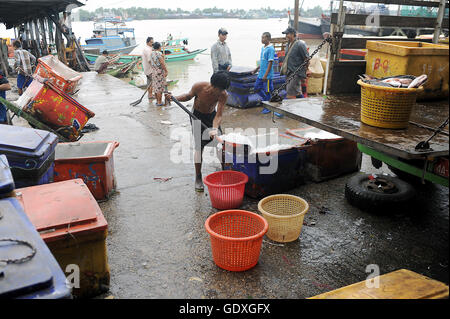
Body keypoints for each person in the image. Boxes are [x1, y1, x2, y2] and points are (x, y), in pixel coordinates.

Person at [165, 71, 230, 192]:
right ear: (213, 85)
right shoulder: (199, 86)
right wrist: (174, 98)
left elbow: (219, 115)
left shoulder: (223, 95)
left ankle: (225, 171)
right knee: (199, 147)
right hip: (196, 116)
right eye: (220, 89)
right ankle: (198, 177)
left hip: (212, 117)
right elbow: (188, 96)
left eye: (223, 90)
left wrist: (215, 129)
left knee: (220, 144)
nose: (221, 92)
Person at [280, 27, 310, 99]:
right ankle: (304, 103)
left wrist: (306, 70)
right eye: (285, 34)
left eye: (287, 34)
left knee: (290, 93)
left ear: (293, 34)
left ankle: (290, 109)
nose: (286, 36)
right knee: (297, 91)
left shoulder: (300, 44)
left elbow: (306, 59)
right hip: (288, 71)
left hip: (296, 72)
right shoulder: (288, 45)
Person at [252, 32, 275, 110]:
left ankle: (268, 107)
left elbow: (270, 62)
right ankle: (266, 100)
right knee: (256, 88)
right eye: (261, 38)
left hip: (267, 75)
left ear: (268, 39)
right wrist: (256, 69)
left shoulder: (271, 49)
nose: (262, 39)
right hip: (261, 74)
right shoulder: (263, 48)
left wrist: (266, 75)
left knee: (268, 90)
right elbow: (262, 61)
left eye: (263, 38)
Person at [150, 42, 168, 106]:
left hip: (154, 71)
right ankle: (160, 102)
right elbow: (162, 63)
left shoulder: (151, 53)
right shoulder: (159, 53)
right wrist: (166, 71)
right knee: (159, 88)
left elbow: (149, 62)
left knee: (155, 87)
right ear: (159, 47)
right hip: (159, 72)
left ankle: (157, 101)